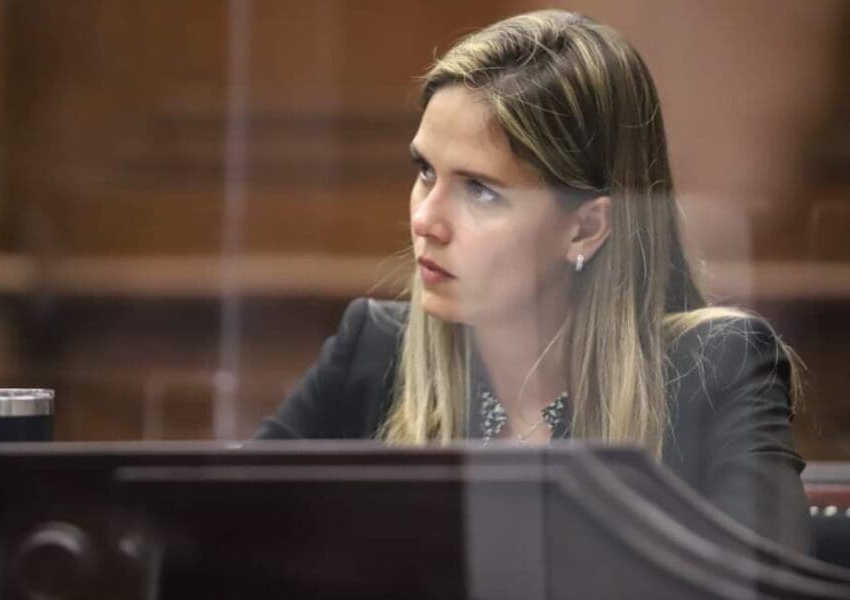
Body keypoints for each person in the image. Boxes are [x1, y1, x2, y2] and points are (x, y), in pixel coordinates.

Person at [254, 9, 811, 552]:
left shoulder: (715, 370)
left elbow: (765, 583)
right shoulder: (372, 352)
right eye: (426, 171)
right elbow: (221, 541)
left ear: (586, 228)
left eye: (479, 190)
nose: (425, 220)